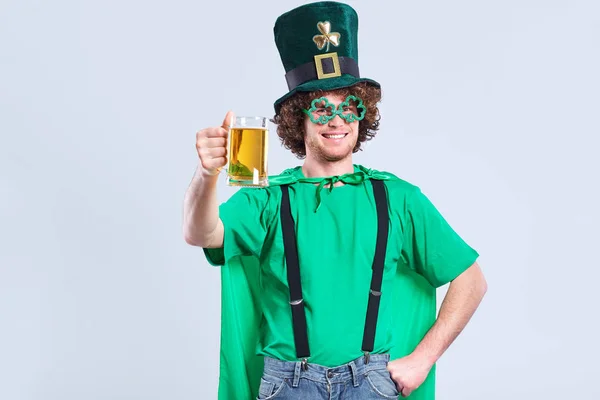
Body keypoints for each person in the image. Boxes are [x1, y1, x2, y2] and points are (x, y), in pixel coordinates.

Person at [183, 2, 487, 399]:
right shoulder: (268, 198)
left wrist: (422, 359)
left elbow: (472, 280)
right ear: (298, 119)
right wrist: (207, 173)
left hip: (373, 383)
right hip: (287, 385)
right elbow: (201, 233)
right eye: (321, 108)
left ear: (363, 115)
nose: (337, 119)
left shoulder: (397, 197)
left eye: (350, 106)